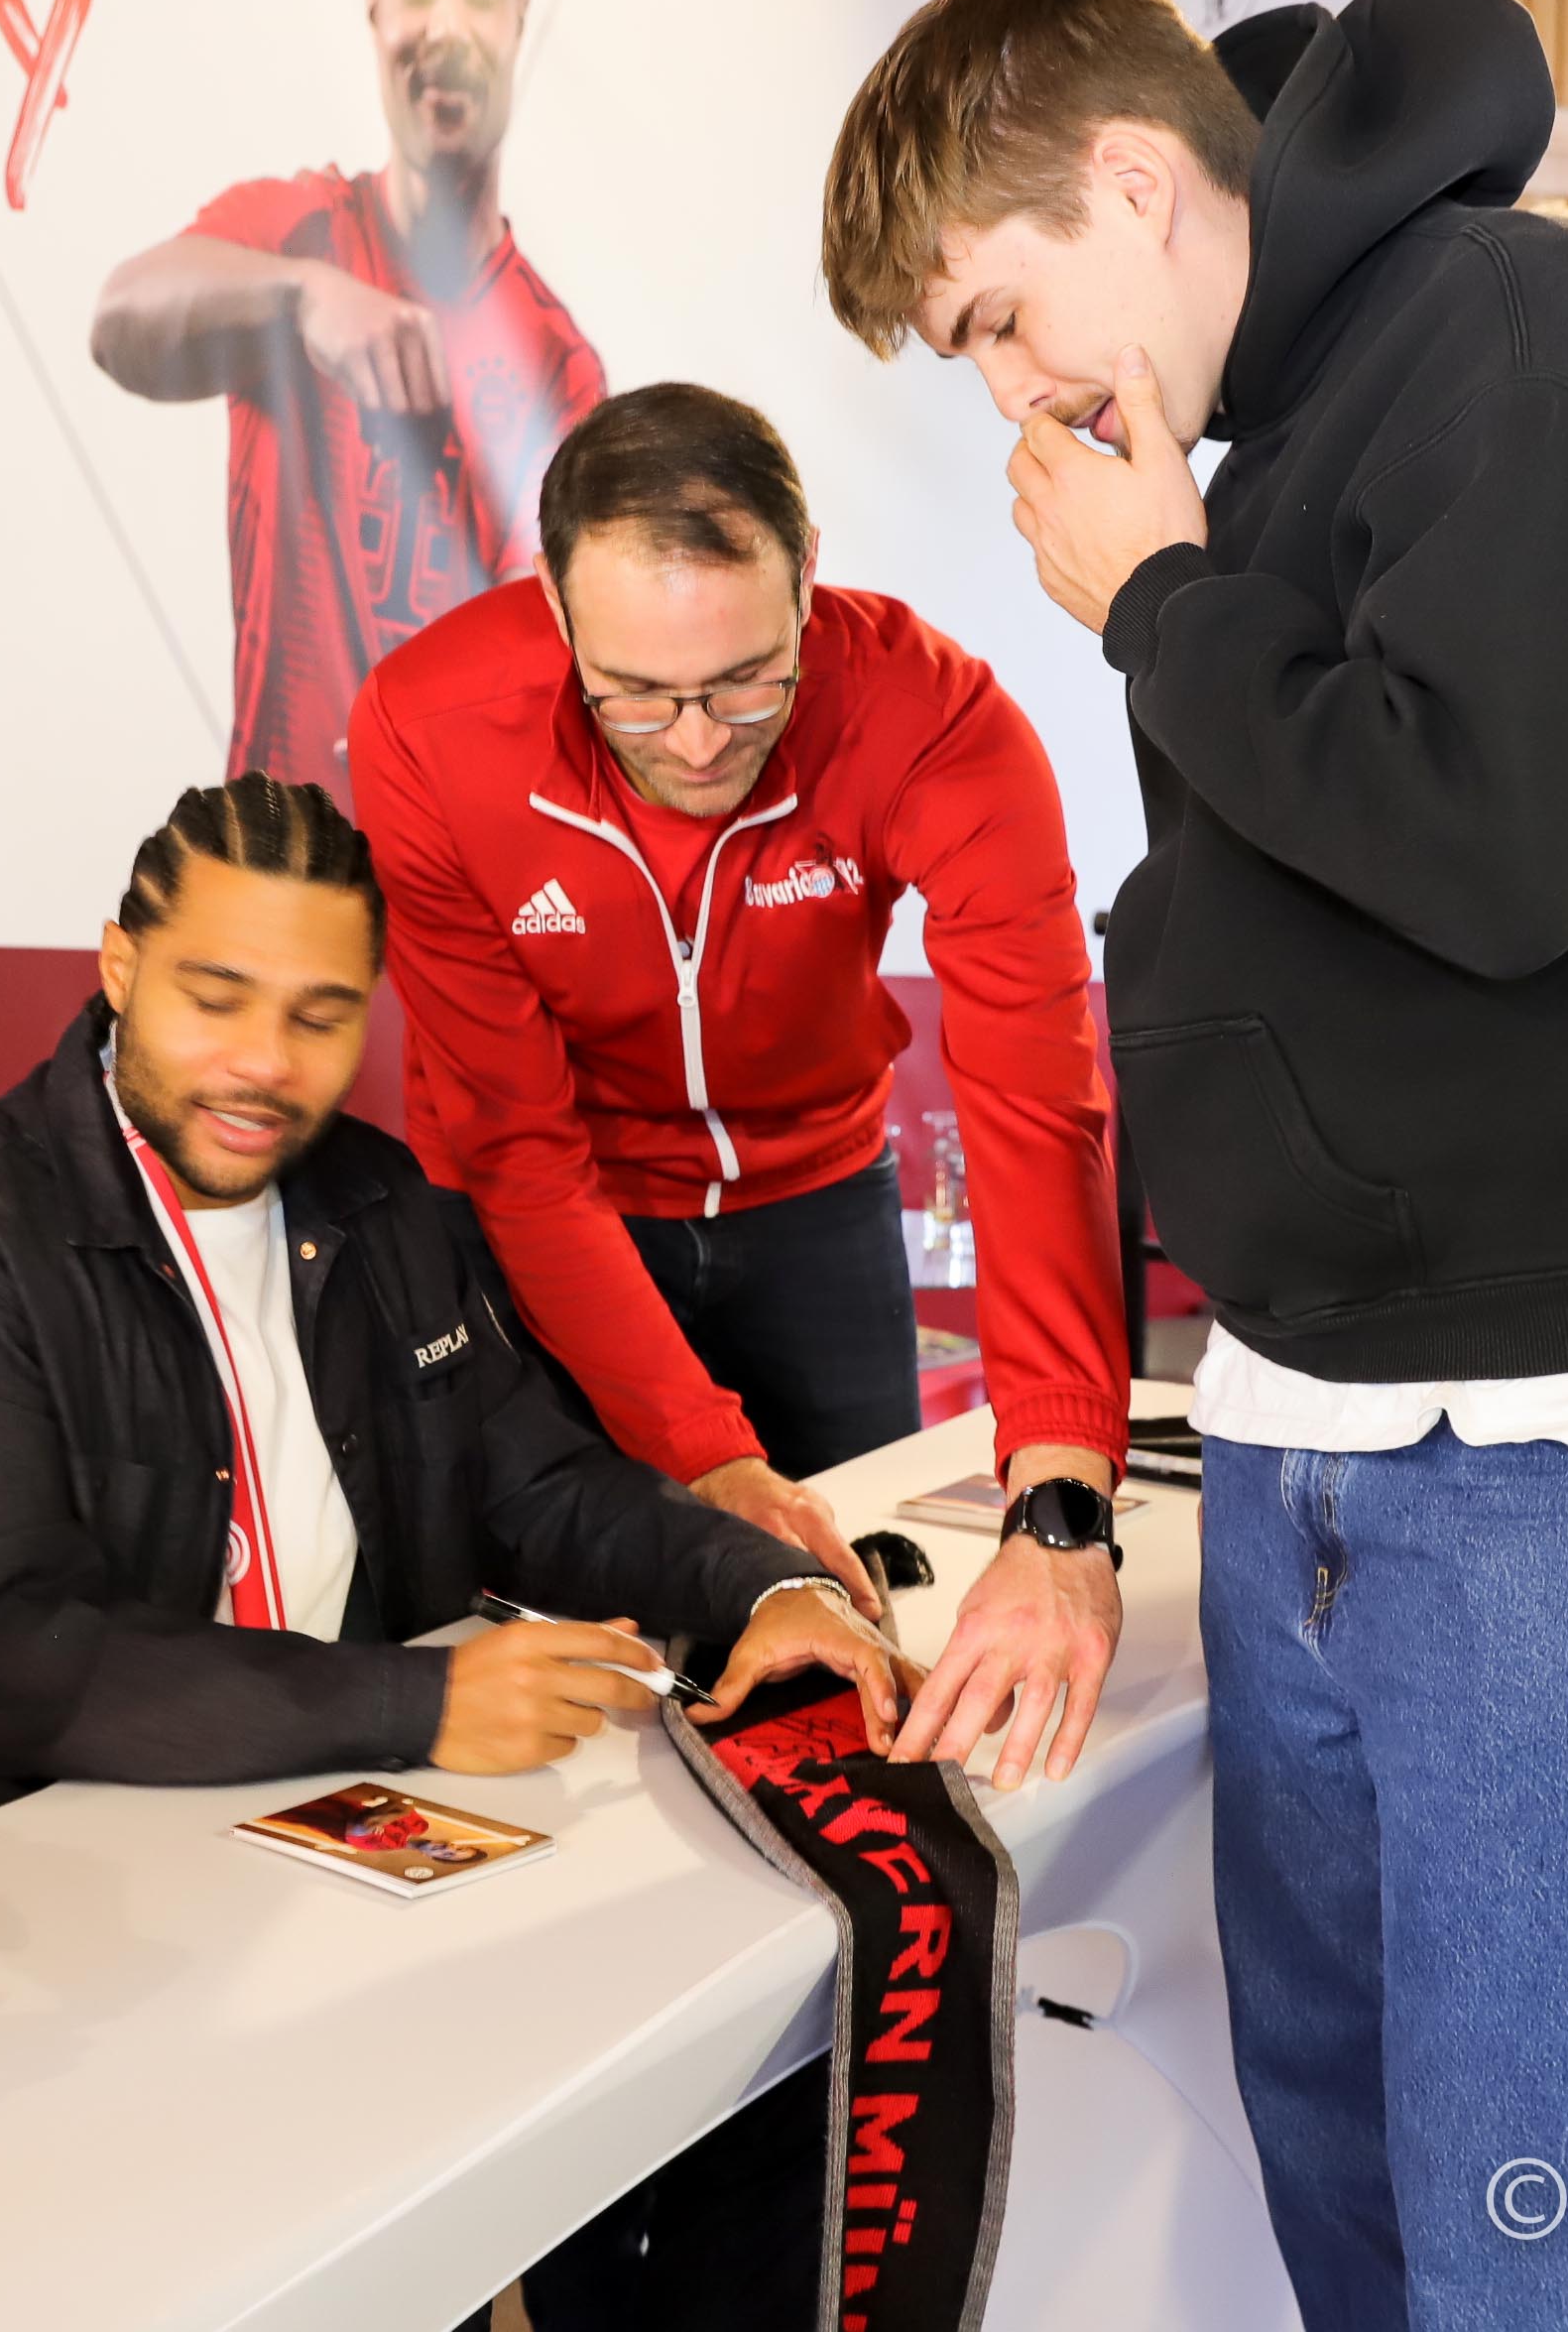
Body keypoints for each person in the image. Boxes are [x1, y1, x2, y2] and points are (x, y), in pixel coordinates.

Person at [825, 0, 1568, 2328]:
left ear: (1126, 185)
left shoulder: (1544, 341)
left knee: (1545, 2242)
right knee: (1347, 2185)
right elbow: (1296, 897)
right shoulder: (1253, 435)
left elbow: (1496, 850)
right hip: (1302, 1412)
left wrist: (1160, 603)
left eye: (996, 318)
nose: (1009, 393)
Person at [0, 778, 903, 2332]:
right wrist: (423, 1703)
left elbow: (543, 1479)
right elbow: (7, 1649)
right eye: (215, 996)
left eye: (319, 1015)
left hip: (317, 1844)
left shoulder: (378, 1202)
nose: (267, 1061)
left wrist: (761, 1584)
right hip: (18, 1917)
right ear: (116, 964)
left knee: (761, 2031)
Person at [348, 380, 1133, 1772]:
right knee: (588, 1653)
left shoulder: (930, 714)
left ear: (806, 571)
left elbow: (1033, 1096)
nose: (700, 739)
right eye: (638, 695)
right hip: (551, 1215)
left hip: (817, 1196)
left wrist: (1059, 1489)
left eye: (747, 678)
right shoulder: (427, 724)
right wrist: (702, 1450)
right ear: (555, 606)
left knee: (864, 1633)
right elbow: (518, 1148)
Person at [90, 0, 603, 805]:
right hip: (268, 857)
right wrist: (301, 297)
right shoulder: (297, 232)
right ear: (374, 4)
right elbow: (120, 322)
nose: (447, 25)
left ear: (520, 13)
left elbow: (545, 662)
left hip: (440, 867)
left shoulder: (559, 366)